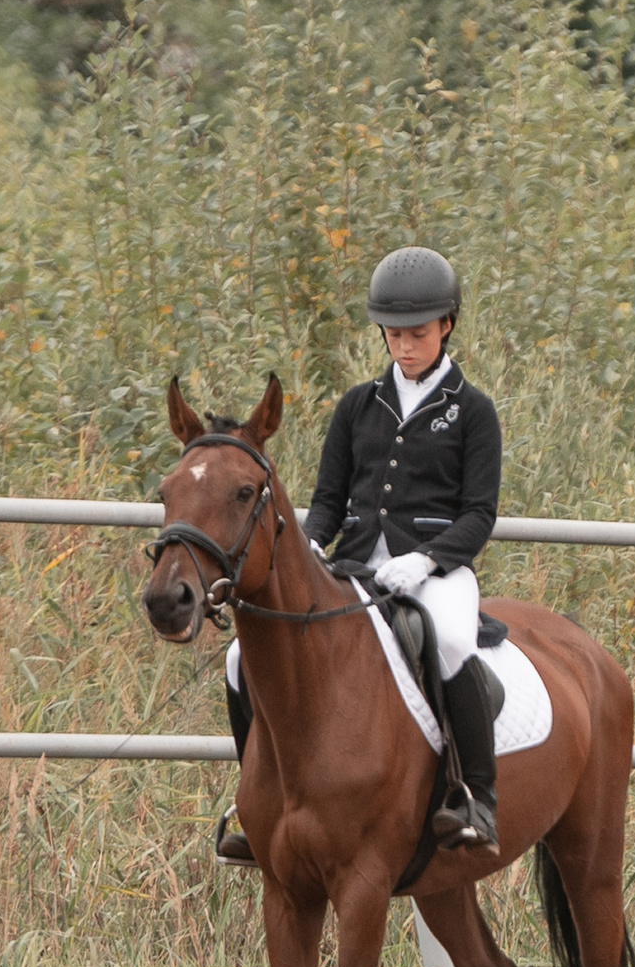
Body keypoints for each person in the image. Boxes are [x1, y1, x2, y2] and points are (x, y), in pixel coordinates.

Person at [214, 246, 504, 864]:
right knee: (242, 655)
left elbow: (480, 515)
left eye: (418, 335)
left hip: (434, 571)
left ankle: (475, 795)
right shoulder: (356, 406)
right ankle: (255, 799)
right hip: (351, 567)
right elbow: (327, 498)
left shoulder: (472, 412)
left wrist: (426, 560)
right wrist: (311, 542)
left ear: (447, 325)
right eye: (394, 335)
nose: (404, 347)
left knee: (450, 640)